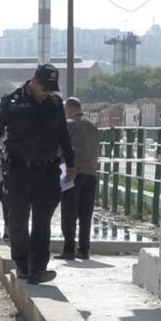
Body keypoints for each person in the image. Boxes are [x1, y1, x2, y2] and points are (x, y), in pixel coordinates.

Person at [0, 63, 76, 285]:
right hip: (19, 170)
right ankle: (22, 265)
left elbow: (63, 133)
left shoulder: (55, 103)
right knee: (18, 219)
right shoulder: (12, 102)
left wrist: (71, 163)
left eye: (51, 88)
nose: (47, 92)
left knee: (42, 222)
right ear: (33, 80)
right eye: (44, 87)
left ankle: (38, 268)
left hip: (47, 170)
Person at [56, 97, 101, 260]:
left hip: (72, 174)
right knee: (85, 215)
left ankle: (68, 249)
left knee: (69, 213)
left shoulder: (69, 124)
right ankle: (84, 249)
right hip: (91, 174)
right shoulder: (93, 126)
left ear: (68, 108)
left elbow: (60, 148)